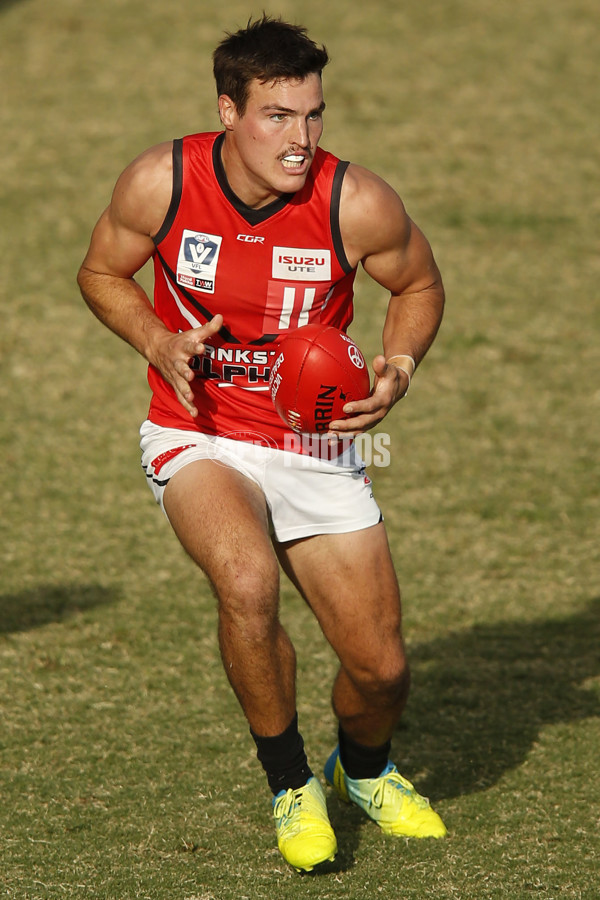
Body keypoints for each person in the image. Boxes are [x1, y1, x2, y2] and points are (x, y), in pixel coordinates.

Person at [77, 15, 446, 872]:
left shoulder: (355, 201)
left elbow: (418, 282)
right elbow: (101, 272)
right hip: (196, 431)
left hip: (315, 447)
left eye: (314, 115)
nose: (302, 138)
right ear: (228, 110)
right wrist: (155, 342)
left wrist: (396, 366)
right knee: (245, 582)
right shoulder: (160, 183)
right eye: (278, 116)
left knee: (383, 670)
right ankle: (289, 784)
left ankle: (364, 771)